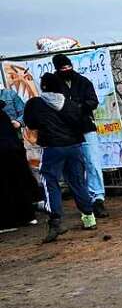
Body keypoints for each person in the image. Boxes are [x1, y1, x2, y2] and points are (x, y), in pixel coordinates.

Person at [23, 72, 96, 243]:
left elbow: (31, 123)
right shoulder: (70, 104)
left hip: (52, 148)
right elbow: (79, 122)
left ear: (44, 86)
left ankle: (55, 220)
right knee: (77, 180)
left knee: (50, 181)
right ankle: (89, 217)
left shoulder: (35, 104)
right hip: (74, 146)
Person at [52, 53, 107, 218]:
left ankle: (98, 198)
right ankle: (85, 202)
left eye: (69, 66)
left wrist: (79, 107)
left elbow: (93, 101)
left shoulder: (82, 81)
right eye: (63, 68)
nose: (67, 69)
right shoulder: (53, 84)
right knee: (74, 169)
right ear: (57, 69)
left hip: (85, 127)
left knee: (93, 163)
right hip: (66, 131)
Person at [0, 93, 41, 231]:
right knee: (20, 183)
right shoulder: (4, 116)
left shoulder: (9, 98)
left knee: (6, 188)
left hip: (7, 153)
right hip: (15, 150)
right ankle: (28, 216)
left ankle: (9, 221)